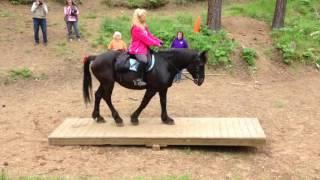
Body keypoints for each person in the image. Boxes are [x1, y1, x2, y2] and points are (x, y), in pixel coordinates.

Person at [128, 8, 162, 86]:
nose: (145, 17)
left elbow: (150, 35)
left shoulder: (144, 26)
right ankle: (137, 79)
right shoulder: (135, 28)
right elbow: (145, 39)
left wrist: (158, 41)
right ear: (139, 17)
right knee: (143, 60)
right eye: (144, 16)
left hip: (145, 48)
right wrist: (156, 44)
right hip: (137, 49)